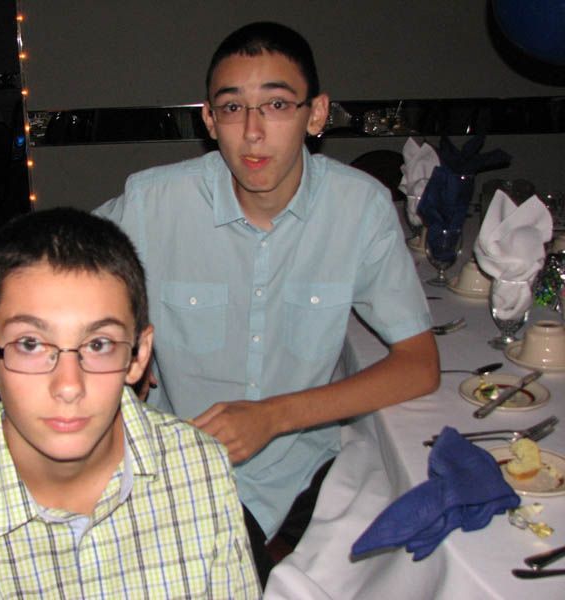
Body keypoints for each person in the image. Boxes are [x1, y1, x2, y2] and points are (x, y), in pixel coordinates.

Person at [95, 21, 440, 582]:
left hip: (303, 465)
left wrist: (273, 417)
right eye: (233, 109)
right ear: (210, 120)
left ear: (317, 113)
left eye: (277, 104)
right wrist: (120, 337)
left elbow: (419, 365)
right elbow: (53, 273)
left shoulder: (360, 209)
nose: (253, 132)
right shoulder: (154, 202)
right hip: (175, 469)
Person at [0, 208, 260, 598]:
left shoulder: (201, 470)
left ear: (138, 355)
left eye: (99, 345)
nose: (68, 386)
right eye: (30, 344)